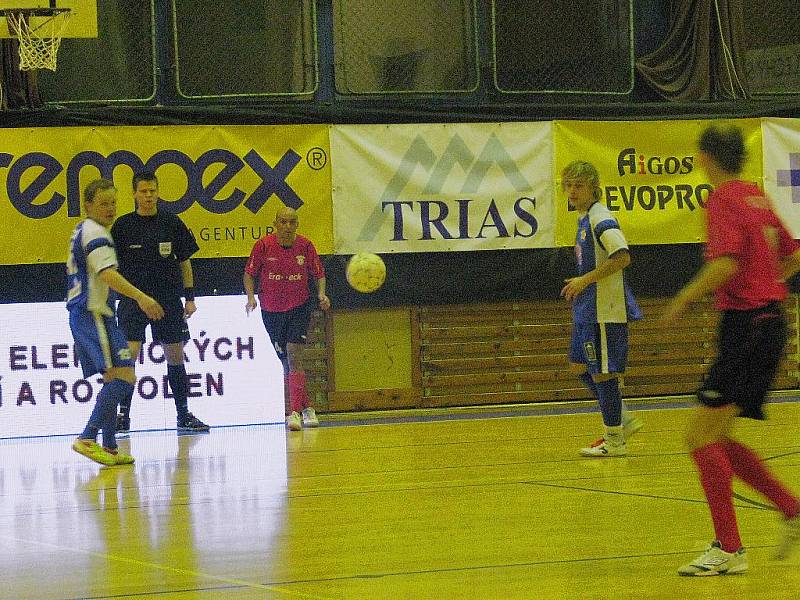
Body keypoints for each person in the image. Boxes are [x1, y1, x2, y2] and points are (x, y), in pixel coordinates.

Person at [662, 124, 800, 576]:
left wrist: (682, 298)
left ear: (707, 157)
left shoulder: (722, 199)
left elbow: (725, 263)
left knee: (699, 436)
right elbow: (794, 253)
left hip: (747, 325)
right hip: (772, 322)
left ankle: (729, 548)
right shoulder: (756, 197)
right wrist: (769, 281)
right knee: (716, 435)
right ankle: (790, 508)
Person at [67, 178, 165, 466]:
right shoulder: (95, 232)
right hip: (92, 313)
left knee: (115, 377)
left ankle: (109, 445)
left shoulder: (84, 230)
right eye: (103, 203)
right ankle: (87, 437)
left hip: (94, 313)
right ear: (88, 205)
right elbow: (107, 274)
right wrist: (141, 298)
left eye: (113, 203)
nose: (110, 209)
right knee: (126, 378)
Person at [111, 171, 209, 433]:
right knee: (128, 357)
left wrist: (190, 297)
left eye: (152, 191)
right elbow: (110, 269)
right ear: (134, 194)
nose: (148, 196)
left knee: (175, 356)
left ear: (158, 192)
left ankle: (183, 415)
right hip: (134, 301)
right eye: (143, 191)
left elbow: (185, 261)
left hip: (167, 300)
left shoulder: (171, 222)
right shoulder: (122, 226)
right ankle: (123, 417)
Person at [560, 160, 643, 457]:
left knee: (603, 374)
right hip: (587, 309)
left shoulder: (600, 218)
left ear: (593, 187)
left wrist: (585, 280)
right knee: (579, 366)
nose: (571, 190)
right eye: (567, 184)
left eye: (578, 185)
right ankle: (622, 418)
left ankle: (615, 440)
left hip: (604, 310)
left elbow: (622, 257)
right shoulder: (583, 218)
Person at [244, 206, 331, 431]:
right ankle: (306, 407)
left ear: (297, 224)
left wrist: (321, 293)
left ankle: (293, 414)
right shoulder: (263, 246)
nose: (288, 226)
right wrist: (251, 298)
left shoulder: (305, 245)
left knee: (294, 355)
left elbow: (319, 274)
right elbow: (249, 274)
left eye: (292, 222)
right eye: (283, 222)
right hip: (271, 310)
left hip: (299, 307)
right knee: (286, 362)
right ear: (275, 223)